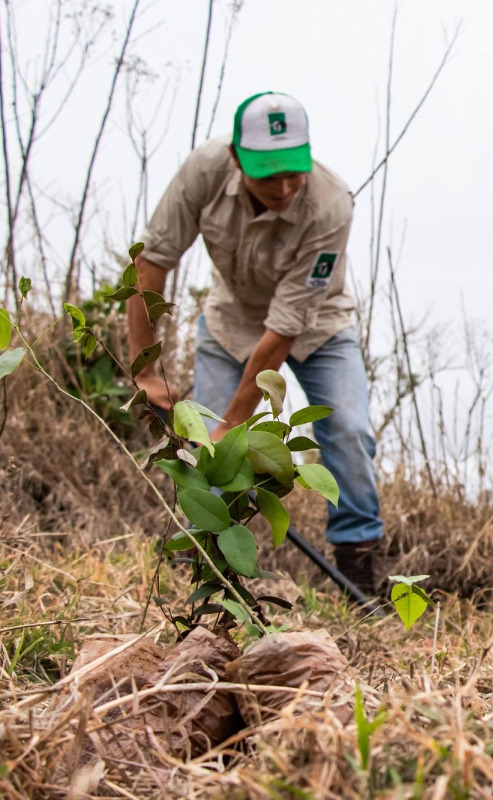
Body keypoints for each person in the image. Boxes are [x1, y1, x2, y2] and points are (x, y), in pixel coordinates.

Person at [126, 91, 384, 592]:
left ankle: (361, 561)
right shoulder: (203, 170)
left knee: (349, 431)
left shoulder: (333, 204)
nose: (285, 187)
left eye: (294, 170)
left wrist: (234, 420)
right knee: (214, 456)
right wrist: (145, 370)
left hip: (318, 323)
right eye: (268, 172)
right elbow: (152, 260)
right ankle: (210, 563)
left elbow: (287, 325)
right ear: (235, 157)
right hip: (232, 321)